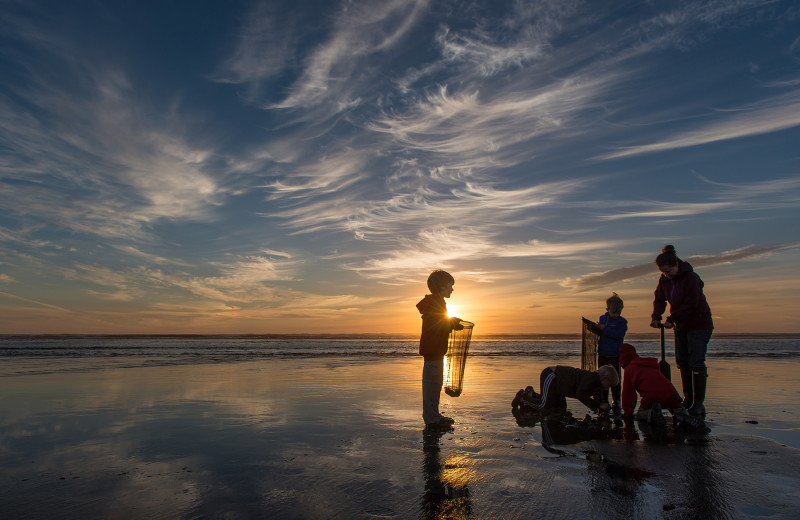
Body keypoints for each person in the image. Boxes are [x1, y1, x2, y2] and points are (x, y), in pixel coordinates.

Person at [650, 245, 713, 417]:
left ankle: (698, 404)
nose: (667, 275)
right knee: (682, 362)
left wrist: (672, 319)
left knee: (696, 363)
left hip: (699, 324)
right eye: (664, 272)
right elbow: (660, 298)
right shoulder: (664, 280)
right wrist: (656, 316)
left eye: (669, 271)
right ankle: (688, 399)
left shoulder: (691, 278)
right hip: (681, 326)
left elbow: (692, 304)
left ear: (676, 264)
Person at [417, 270, 463, 432]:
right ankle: (432, 419)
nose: (452, 289)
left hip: (434, 352)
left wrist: (450, 322)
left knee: (435, 386)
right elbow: (433, 325)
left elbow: (436, 322)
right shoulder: (436, 303)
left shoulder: (437, 302)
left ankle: (434, 416)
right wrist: (450, 324)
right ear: (442, 286)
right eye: (450, 285)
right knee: (432, 386)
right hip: (433, 352)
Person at [618, 343, 700, 428]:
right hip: (671, 393)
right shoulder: (650, 365)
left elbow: (628, 394)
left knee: (641, 415)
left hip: (651, 397)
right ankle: (681, 416)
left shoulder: (629, 369)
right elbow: (664, 382)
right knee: (676, 408)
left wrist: (628, 412)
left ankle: (652, 414)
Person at [536, 365, 619, 413]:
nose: (608, 388)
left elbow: (599, 398)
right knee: (544, 406)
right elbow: (580, 395)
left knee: (560, 409)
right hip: (552, 375)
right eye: (609, 384)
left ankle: (532, 394)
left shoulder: (598, 386)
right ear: (603, 378)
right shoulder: (592, 378)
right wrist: (598, 405)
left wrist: (602, 407)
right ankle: (524, 397)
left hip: (560, 387)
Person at [596, 292, 627, 414]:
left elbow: (618, 335)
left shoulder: (622, 322)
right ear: (607, 309)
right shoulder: (603, 318)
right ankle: (604, 400)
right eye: (614, 312)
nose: (616, 315)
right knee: (602, 378)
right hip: (603, 353)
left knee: (615, 378)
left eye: (618, 312)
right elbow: (600, 333)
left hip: (615, 354)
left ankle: (617, 400)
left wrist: (605, 329)